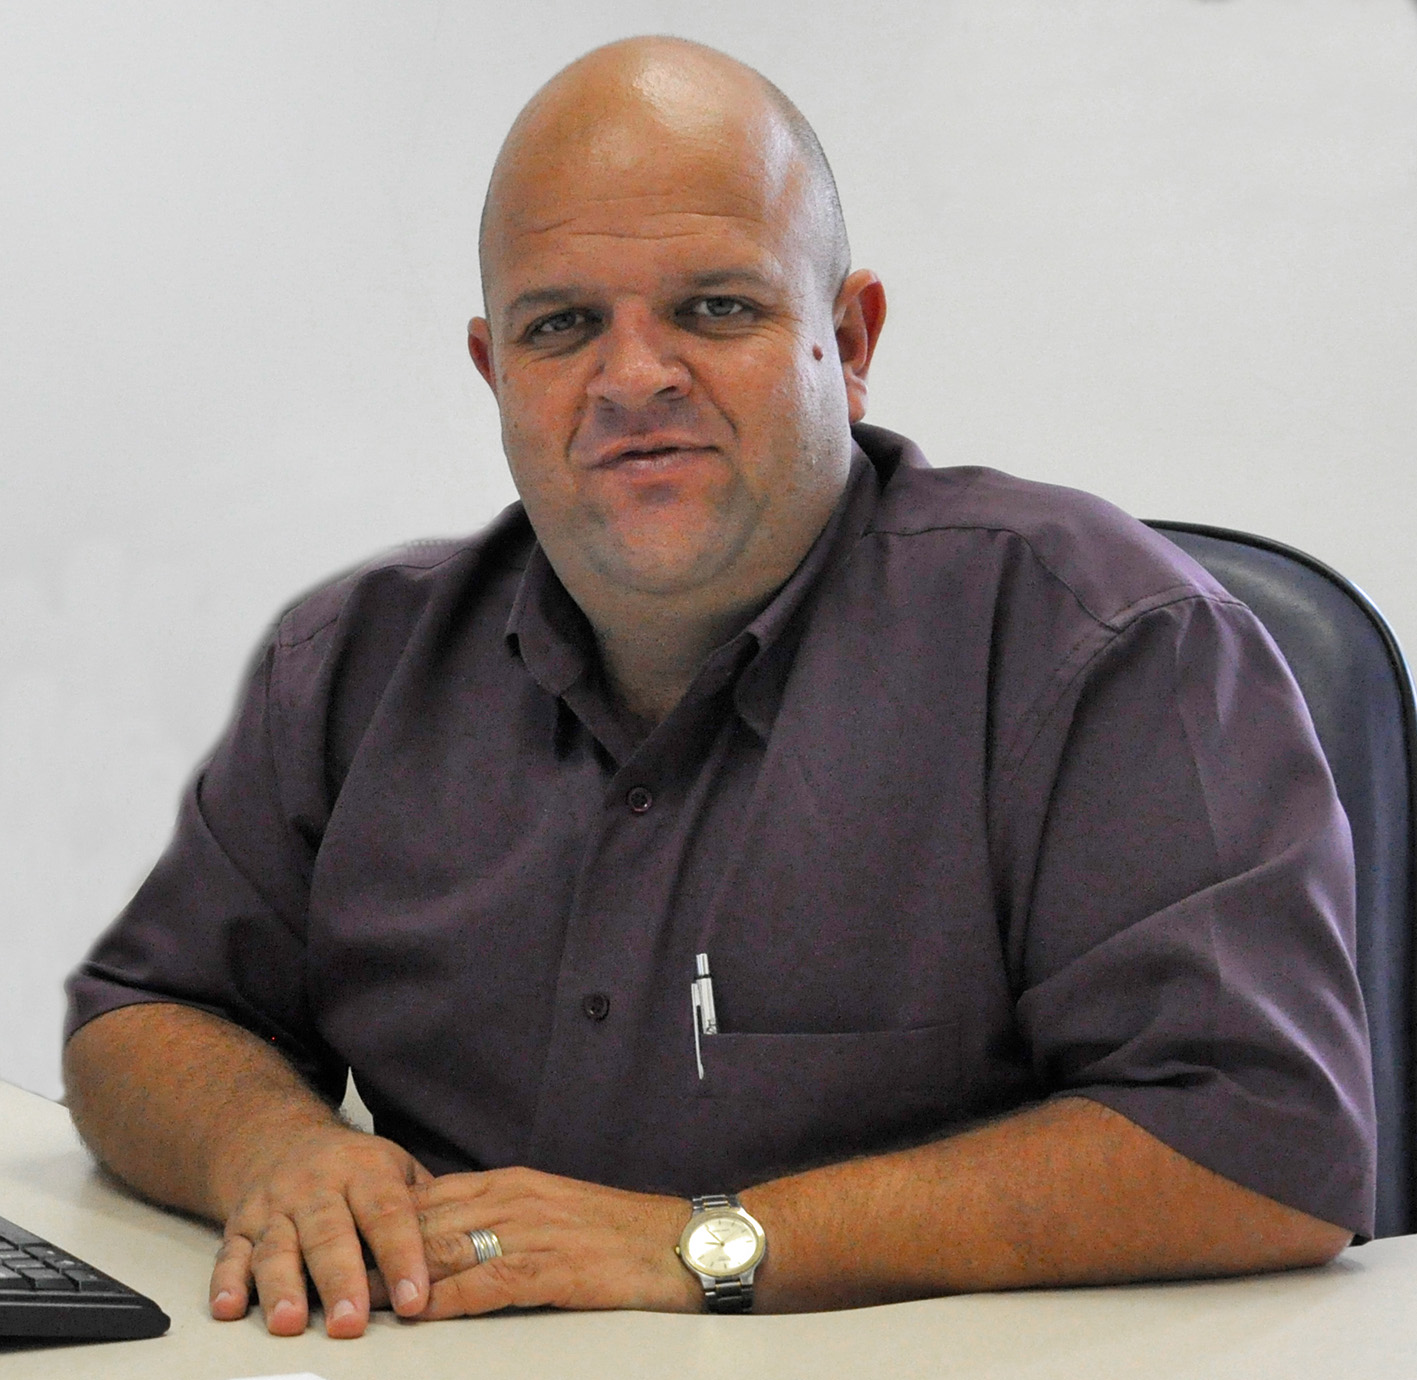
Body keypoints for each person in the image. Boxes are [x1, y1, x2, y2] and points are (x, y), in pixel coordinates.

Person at [63, 35, 1374, 1339]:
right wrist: (277, 1152)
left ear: (847, 341)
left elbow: (1262, 1141)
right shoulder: (355, 662)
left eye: (715, 309)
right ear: (496, 372)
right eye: (562, 325)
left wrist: (704, 1243)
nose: (634, 377)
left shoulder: (1100, 640)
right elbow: (148, 1015)